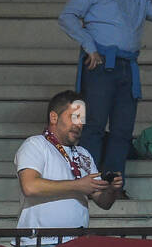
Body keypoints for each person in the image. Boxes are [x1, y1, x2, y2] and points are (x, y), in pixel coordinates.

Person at [57, 0, 152, 193]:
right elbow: (67, 16)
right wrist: (89, 45)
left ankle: (114, 188)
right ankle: (91, 185)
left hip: (127, 67)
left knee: (122, 131)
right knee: (94, 127)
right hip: (100, 64)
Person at [15, 90, 121, 231]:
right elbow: (30, 187)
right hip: (40, 243)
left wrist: (111, 190)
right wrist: (77, 185)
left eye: (82, 119)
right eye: (74, 117)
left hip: (77, 242)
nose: (79, 124)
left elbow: (104, 203)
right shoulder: (35, 144)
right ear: (54, 117)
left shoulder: (84, 154)